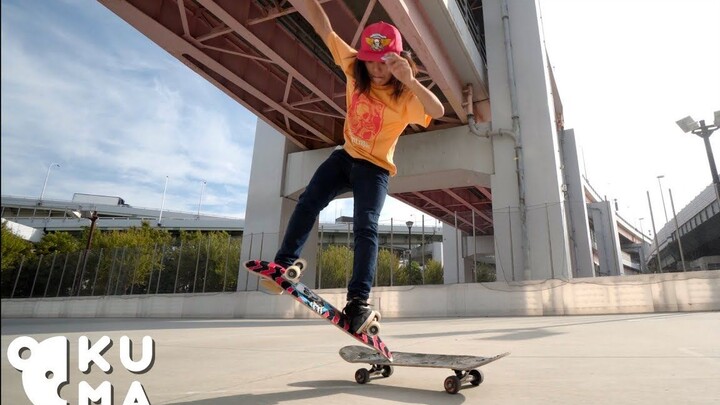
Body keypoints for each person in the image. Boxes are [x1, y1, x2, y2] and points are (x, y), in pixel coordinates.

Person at [272, 0, 444, 334]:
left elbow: (435, 110)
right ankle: (283, 263)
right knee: (309, 200)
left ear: (397, 61)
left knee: (366, 227)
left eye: (385, 63)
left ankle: (358, 301)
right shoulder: (354, 67)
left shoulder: (405, 97)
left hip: (375, 168)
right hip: (345, 156)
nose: (376, 70)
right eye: (371, 63)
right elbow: (325, 29)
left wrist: (410, 80)